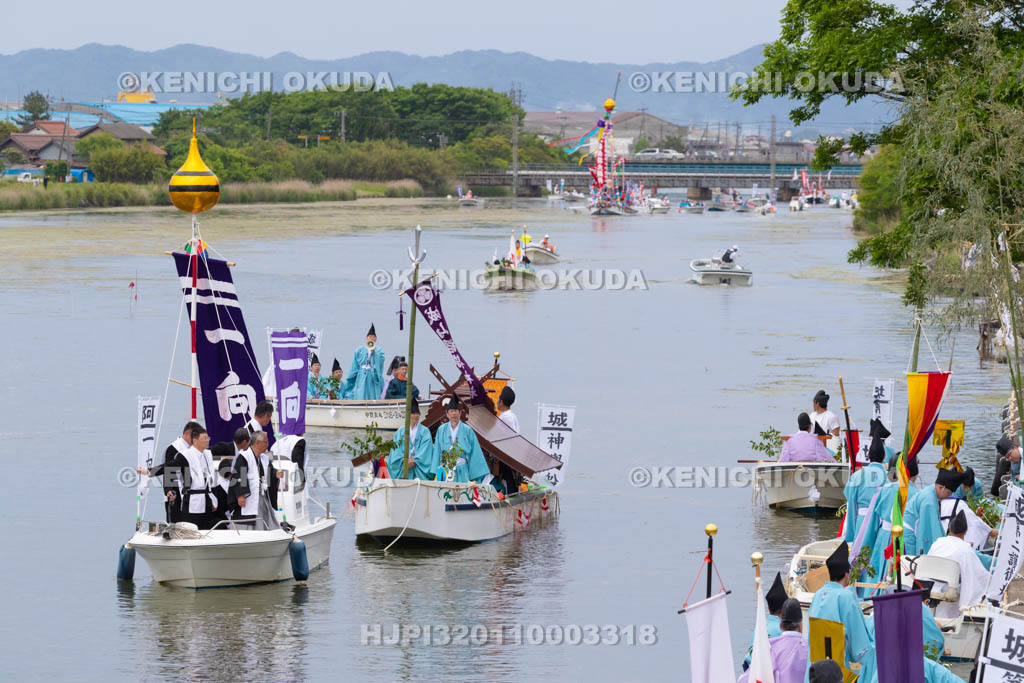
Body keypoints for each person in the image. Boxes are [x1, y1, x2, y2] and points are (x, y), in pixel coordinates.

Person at [807, 542, 876, 677]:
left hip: (814, 667)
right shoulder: (846, 596)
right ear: (847, 574)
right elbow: (859, 645)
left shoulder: (818, 595)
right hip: (836, 669)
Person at [859, 458, 920, 596]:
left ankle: (873, 595)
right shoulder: (917, 494)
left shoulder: (886, 489)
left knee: (880, 570)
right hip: (905, 538)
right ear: (915, 474)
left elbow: (873, 522)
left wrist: (866, 545)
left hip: (884, 535)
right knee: (902, 574)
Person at [926, 510, 989, 619]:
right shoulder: (965, 549)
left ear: (949, 529)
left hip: (931, 588)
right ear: (966, 531)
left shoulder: (937, 543)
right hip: (951, 590)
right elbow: (977, 576)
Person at [136, 420, 201, 523]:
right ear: (187, 434)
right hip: (176, 493)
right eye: (195, 436)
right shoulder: (173, 449)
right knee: (176, 526)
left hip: (191, 495)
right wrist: (168, 490)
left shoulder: (193, 449)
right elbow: (168, 470)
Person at [739, 598, 809, 683]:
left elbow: (745, 679)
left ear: (780, 625)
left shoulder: (769, 647)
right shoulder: (811, 648)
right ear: (801, 626)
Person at [843, 420, 890, 543]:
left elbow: (850, 499)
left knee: (862, 554)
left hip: (862, 521)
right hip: (882, 523)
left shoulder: (857, 476)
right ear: (884, 456)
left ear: (868, 455)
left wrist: (850, 533)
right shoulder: (891, 478)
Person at [903, 467, 966, 556]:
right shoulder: (929, 502)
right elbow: (927, 532)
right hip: (910, 537)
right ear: (941, 487)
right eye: (948, 493)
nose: (949, 496)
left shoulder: (930, 492)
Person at [172, 425, 218, 529]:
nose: (208, 440)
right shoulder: (184, 455)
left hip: (206, 500)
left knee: (206, 531)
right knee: (190, 531)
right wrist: (149, 471)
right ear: (195, 440)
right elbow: (168, 467)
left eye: (208, 438)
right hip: (191, 501)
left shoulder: (207, 454)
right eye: (205, 438)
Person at [433, 398, 489, 483]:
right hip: (445, 470)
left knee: (463, 494)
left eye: (456, 411)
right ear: (447, 414)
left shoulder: (468, 430)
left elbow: (475, 452)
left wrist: (473, 475)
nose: (454, 413)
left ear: (460, 413)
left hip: (463, 469)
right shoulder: (441, 430)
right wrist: (435, 471)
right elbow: (437, 451)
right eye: (451, 411)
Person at [742, 572, 786, 670]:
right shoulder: (782, 630)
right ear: (785, 609)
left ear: (769, 609)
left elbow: (748, 659)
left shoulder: (759, 627)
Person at [388, 402, 436, 480]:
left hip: (418, 467)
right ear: (408, 415)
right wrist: (404, 460)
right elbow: (396, 450)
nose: (416, 416)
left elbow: (426, 449)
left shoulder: (425, 431)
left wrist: (414, 461)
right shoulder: (400, 431)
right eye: (413, 413)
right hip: (403, 464)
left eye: (418, 414)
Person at [231, 431, 266, 525]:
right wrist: (241, 495)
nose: (267, 445)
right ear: (258, 443)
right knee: (245, 517)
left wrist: (275, 474)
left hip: (258, 494)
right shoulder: (245, 456)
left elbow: (267, 471)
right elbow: (240, 475)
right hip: (246, 497)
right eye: (265, 442)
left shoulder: (261, 457)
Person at [343, 324, 385, 400]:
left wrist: (375, 354)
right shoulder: (359, 350)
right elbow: (354, 365)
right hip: (362, 373)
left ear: (376, 339)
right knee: (361, 392)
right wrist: (351, 376)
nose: (372, 338)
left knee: (372, 392)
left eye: (373, 337)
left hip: (373, 375)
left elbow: (381, 360)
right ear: (366, 338)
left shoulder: (379, 350)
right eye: (370, 337)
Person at [268, 431, 307, 509]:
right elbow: (298, 461)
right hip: (290, 478)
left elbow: (269, 459)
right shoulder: (299, 441)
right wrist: (302, 480)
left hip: (274, 478)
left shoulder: (276, 443)